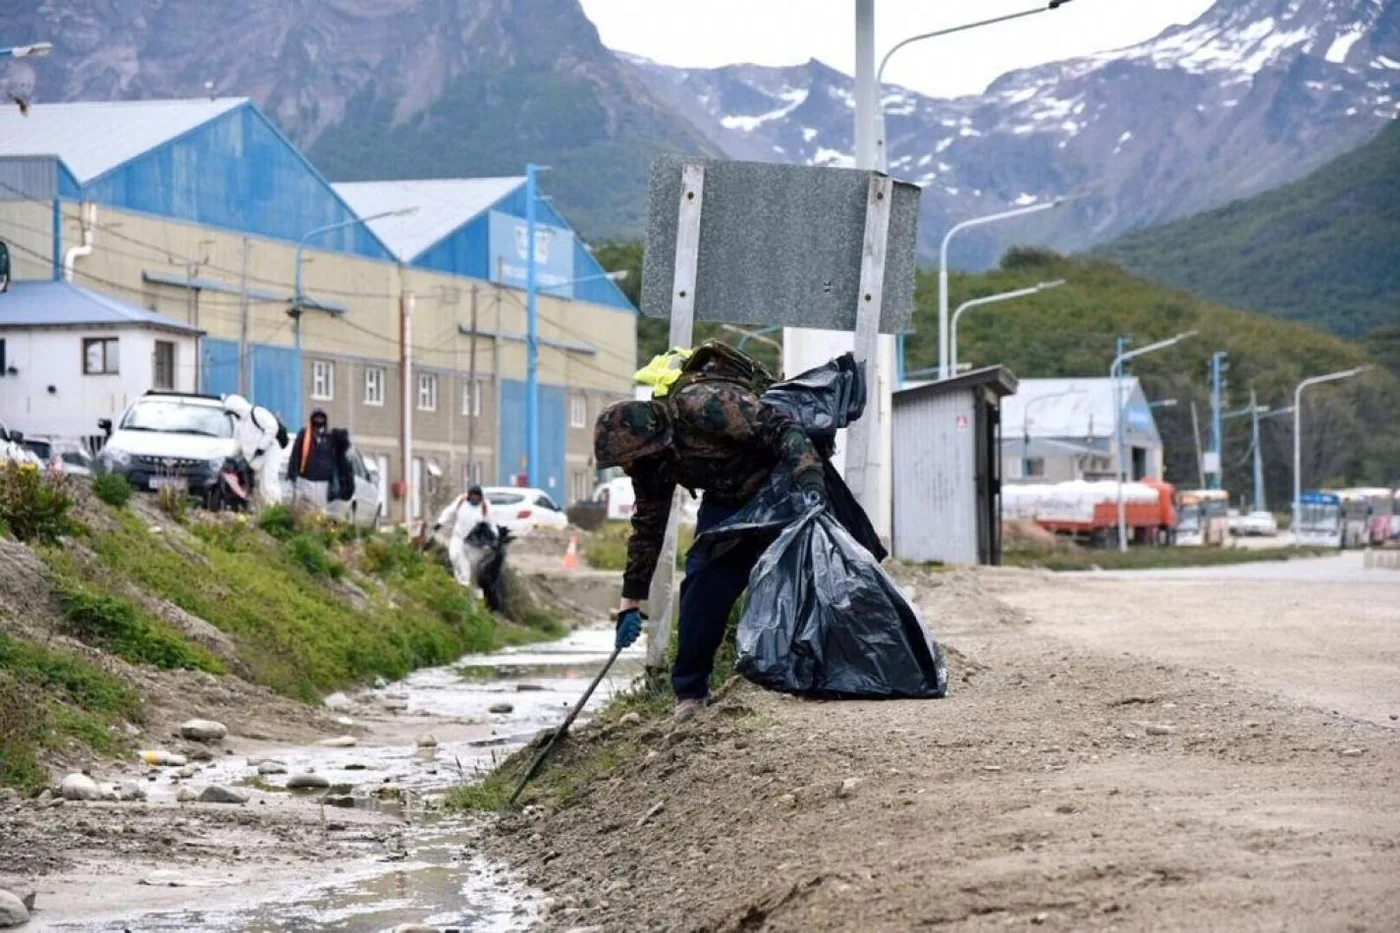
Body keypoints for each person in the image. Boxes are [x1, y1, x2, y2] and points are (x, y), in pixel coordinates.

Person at [594, 381, 825, 721]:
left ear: (650, 442)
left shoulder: (705, 407)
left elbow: (782, 428)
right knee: (701, 588)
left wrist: (810, 481)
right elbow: (647, 530)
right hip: (726, 504)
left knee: (813, 576)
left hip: (784, 487)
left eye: (630, 459)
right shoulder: (649, 466)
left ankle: (825, 668)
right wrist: (630, 603)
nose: (628, 468)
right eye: (623, 463)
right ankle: (690, 695)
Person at [222, 394, 286, 508]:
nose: (233, 416)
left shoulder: (257, 412)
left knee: (269, 483)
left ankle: (276, 509)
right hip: (255, 459)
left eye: (233, 412)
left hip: (269, 453)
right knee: (260, 487)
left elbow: (272, 427)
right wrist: (231, 456)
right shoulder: (241, 423)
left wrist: (262, 446)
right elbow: (239, 443)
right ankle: (264, 512)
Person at [431, 485, 490, 586]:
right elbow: (449, 511)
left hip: (474, 542)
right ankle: (459, 581)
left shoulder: (485, 507)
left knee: (467, 563)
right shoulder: (461, 501)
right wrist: (440, 523)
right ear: (469, 495)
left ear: (481, 497)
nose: (475, 499)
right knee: (454, 556)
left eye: (477, 497)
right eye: (473, 496)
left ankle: (466, 584)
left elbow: (490, 523)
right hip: (458, 536)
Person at [286, 409, 337, 511]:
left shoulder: (331, 437)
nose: (319, 420)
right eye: (316, 418)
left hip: (324, 482)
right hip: (305, 479)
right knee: (304, 510)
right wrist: (292, 474)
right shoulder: (304, 434)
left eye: (321, 418)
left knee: (320, 511)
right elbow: (296, 454)